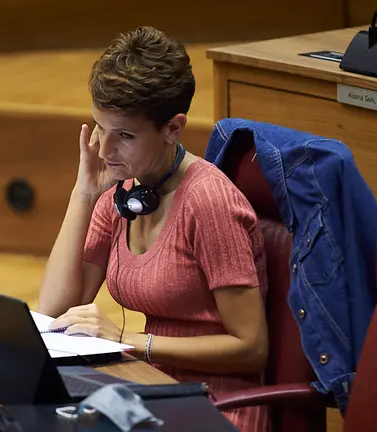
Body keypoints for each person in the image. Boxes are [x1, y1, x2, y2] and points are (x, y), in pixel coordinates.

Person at [38, 26, 269, 432]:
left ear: (173, 127)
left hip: (217, 407)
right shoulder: (125, 187)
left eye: (124, 135)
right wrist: (83, 193)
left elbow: (252, 348)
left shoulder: (209, 202)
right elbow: (54, 311)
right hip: (149, 391)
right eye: (100, 129)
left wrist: (128, 340)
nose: (106, 151)